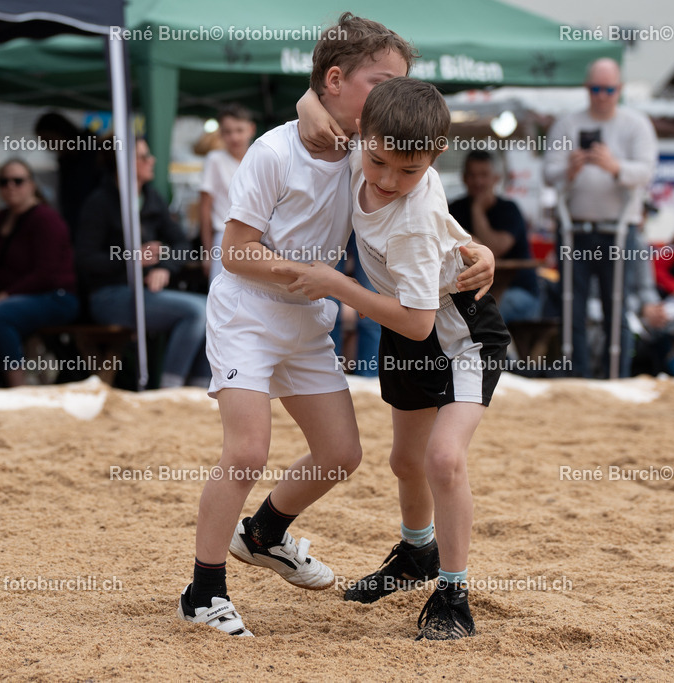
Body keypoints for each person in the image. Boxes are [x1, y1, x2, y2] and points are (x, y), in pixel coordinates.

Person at [177, 13, 494, 638]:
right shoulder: (277, 150)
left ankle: (265, 532)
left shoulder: (366, 152)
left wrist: (474, 247)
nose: (394, 97)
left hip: (311, 317)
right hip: (248, 312)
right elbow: (236, 252)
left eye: (402, 84)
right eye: (383, 83)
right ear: (336, 78)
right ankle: (203, 587)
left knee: (342, 454)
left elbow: (426, 208)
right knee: (245, 451)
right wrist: (320, 278)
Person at [282, 76, 511, 640]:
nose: (388, 180)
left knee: (442, 460)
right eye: (379, 161)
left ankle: (453, 593)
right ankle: (416, 554)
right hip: (406, 333)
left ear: (434, 159)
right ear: (364, 134)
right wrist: (472, 246)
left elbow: (418, 319)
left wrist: (335, 283)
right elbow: (315, 107)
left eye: (409, 171)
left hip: (459, 334)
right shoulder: (369, 155)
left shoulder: (407, 213)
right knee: (404, 462)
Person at [544, 58, 658, 378]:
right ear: (587, 89)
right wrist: (571, 168)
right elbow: (549, 173)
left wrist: (614, 166)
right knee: (572, 308)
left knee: (617, 308)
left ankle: (615, 377)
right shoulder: (567, 124)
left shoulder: (636, 124)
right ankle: (577, 377)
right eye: (596, 89)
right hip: (574, 229)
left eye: (609, 90)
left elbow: (646, 171)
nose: (602, 96)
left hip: (620, 230)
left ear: (619, 90)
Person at [76, 139, 207, 389]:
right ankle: (170, 389)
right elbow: (85, 259)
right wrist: (131, 258)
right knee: (197, 311)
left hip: (147, 294)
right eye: (143, 156)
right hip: (109, 296)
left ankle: (201, 390)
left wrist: (163, 266)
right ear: (123, 163)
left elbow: (183, 246)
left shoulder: (151, 198)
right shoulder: (99, 203)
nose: (151, 160)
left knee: (213, 308)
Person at [0, 160, 78, 387]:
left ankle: (18, 388)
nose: (11, 186)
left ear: (31, 184)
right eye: (4, 182)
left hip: (55, 297)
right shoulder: (0, 218)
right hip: (16, 298)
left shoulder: (46, 219)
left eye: (18, 181)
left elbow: (46, 274)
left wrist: (3, 296)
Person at [449, 150, 543, 322]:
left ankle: (499, 349)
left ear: (496, 178)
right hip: (471, 290)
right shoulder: (454, 209)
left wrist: (477, 210)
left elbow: (492, 252)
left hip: (518, 290)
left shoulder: (509, 210)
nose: (478, 181)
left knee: (487, 311)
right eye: (472, 175)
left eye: (484, 175)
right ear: (463, 178)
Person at [200, 104, 256, 282]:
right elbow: (205, 209)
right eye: (228, 131)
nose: (234, 137)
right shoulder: (215, 159)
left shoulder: (259, 158)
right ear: (221, 134)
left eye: (239, 130)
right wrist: (207, 252)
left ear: (251, 129)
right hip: (223, 238)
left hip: (257, 241)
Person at [34, 111, 101, 239]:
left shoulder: (94, 154)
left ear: (61, 132)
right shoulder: (66, 162)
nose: (49, 147)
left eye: (49, 140)